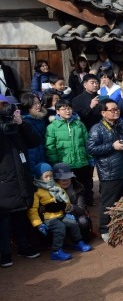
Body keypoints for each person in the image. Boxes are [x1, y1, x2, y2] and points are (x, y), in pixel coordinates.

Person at [0, 94, 41, 267]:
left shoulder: (17, 126)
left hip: (21, 178)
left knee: (21, 214)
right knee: (4, 219)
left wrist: (21, 123)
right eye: (2, 106)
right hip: (4, 181)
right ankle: (4, 254)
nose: (6, 109)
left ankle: (23, 246)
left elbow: (34, 141)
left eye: (8, 106)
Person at [27, 162, 92, 261]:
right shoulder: (37, 191)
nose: (49, 178)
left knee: (73, 223)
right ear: (39, 177)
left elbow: (65, 200)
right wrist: (38, 224)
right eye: (46, 176)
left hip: (61, 214)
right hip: (49, 218)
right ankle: (56, 251)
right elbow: (33, 210)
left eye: (51, 176)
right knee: (60, 228)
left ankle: (78, 242)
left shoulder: (56, 186)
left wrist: (67, 210)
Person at [87, 99, 123, 242]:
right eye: (112, 110)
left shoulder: (120, 126)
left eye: (117, 109)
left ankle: (119, 227)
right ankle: (105, 229)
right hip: (108, 172)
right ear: (103, 113)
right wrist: (112, 146)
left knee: (122, 200)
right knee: (108, 202)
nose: (116, 111)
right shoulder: (97, 128)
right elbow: (91, 149)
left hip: (122, 169)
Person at [45, 100, 94, 206]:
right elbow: (51, 147)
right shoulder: (52, 127)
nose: (67, 111)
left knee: (84, 185)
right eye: (64, 109)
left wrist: (90, 158)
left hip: (81, 162)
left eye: (69, 108)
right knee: (67, 189)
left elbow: (87, 143)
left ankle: (85, 207)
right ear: (57, 111)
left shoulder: (79, 124)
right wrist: (55, 164)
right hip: (65, 165)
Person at [52, 163, 91, 241]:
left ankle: (81, 238)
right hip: (57, 216)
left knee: (83, 221)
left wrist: (68, 206)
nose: (66, 181)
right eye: (62, 179)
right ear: (56, 180)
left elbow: (82, 210)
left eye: (68, 178)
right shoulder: (51, 190)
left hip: (74, 215)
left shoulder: (77, 188)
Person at [20, 93, 48, 175]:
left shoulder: (42, 118)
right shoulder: (24, 122)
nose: (38, 105)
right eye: (34, 103)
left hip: (43, 151)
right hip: (32, 154)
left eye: (39, 103)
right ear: (27, 105)